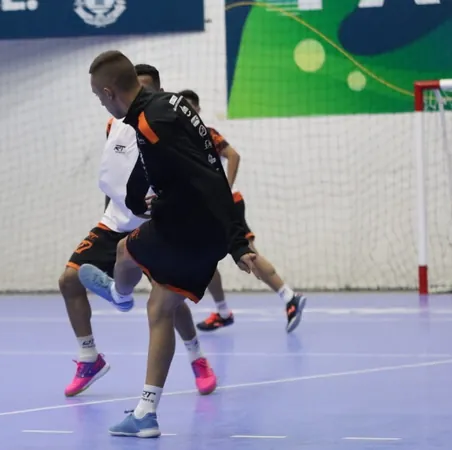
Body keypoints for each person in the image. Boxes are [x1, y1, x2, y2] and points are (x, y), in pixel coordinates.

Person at [84, 50, 263, 438]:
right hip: (206, 231)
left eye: (100, 99)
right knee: (161, 308)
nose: (102, 105)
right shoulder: (173, 104)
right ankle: (146, 413)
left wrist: (159, 204)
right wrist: (233, 239)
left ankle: (118, 293)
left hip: (186, 226)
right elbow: (207, 169)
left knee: (122, 252)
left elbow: (200, 178)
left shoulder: (150, 123)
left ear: (110, 91)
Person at [59, 64, 216, 398]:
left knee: (168, 303)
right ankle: (89, 358)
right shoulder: (113, 123)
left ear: (154, 91)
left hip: (154, 225)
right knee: (69, 280)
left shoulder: (163, 129)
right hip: (116, 220)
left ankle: (197, 358)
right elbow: (114, 173)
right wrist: (110, 214)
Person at [177, 90, 307, 333]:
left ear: (197, 110)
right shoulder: (179, 139)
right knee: (204, 259)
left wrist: (225, 188)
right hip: (203, 209)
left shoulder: (205, 133)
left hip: (226, 205)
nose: (188, 111)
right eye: (184, 107)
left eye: (192, 107)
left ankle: (289, 297)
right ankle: (223, 311)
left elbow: (233, 155)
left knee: (247, 253)